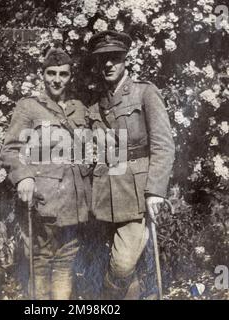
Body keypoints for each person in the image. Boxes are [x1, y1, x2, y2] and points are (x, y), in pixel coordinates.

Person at [87, 31, 175, 299]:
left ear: (125, 59)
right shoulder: (96, 103)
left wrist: (155, 191)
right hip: (105, 194)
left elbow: (163, 144)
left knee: (123, 263)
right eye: (103, 60)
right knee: (127, 267)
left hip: (137, 193)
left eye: (114, 58)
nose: (109, 65)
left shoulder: (145, 93)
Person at [0, 45, 91, 300]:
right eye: (51, 73)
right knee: (40, 262)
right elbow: (10, 149)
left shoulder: (79, 109)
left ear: (70, 77)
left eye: (63, 74)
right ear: (43, 75)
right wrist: (24, 176)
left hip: (74, 200)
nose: (57, 80)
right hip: (44, 199)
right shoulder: (29, 107)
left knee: (65, 261)